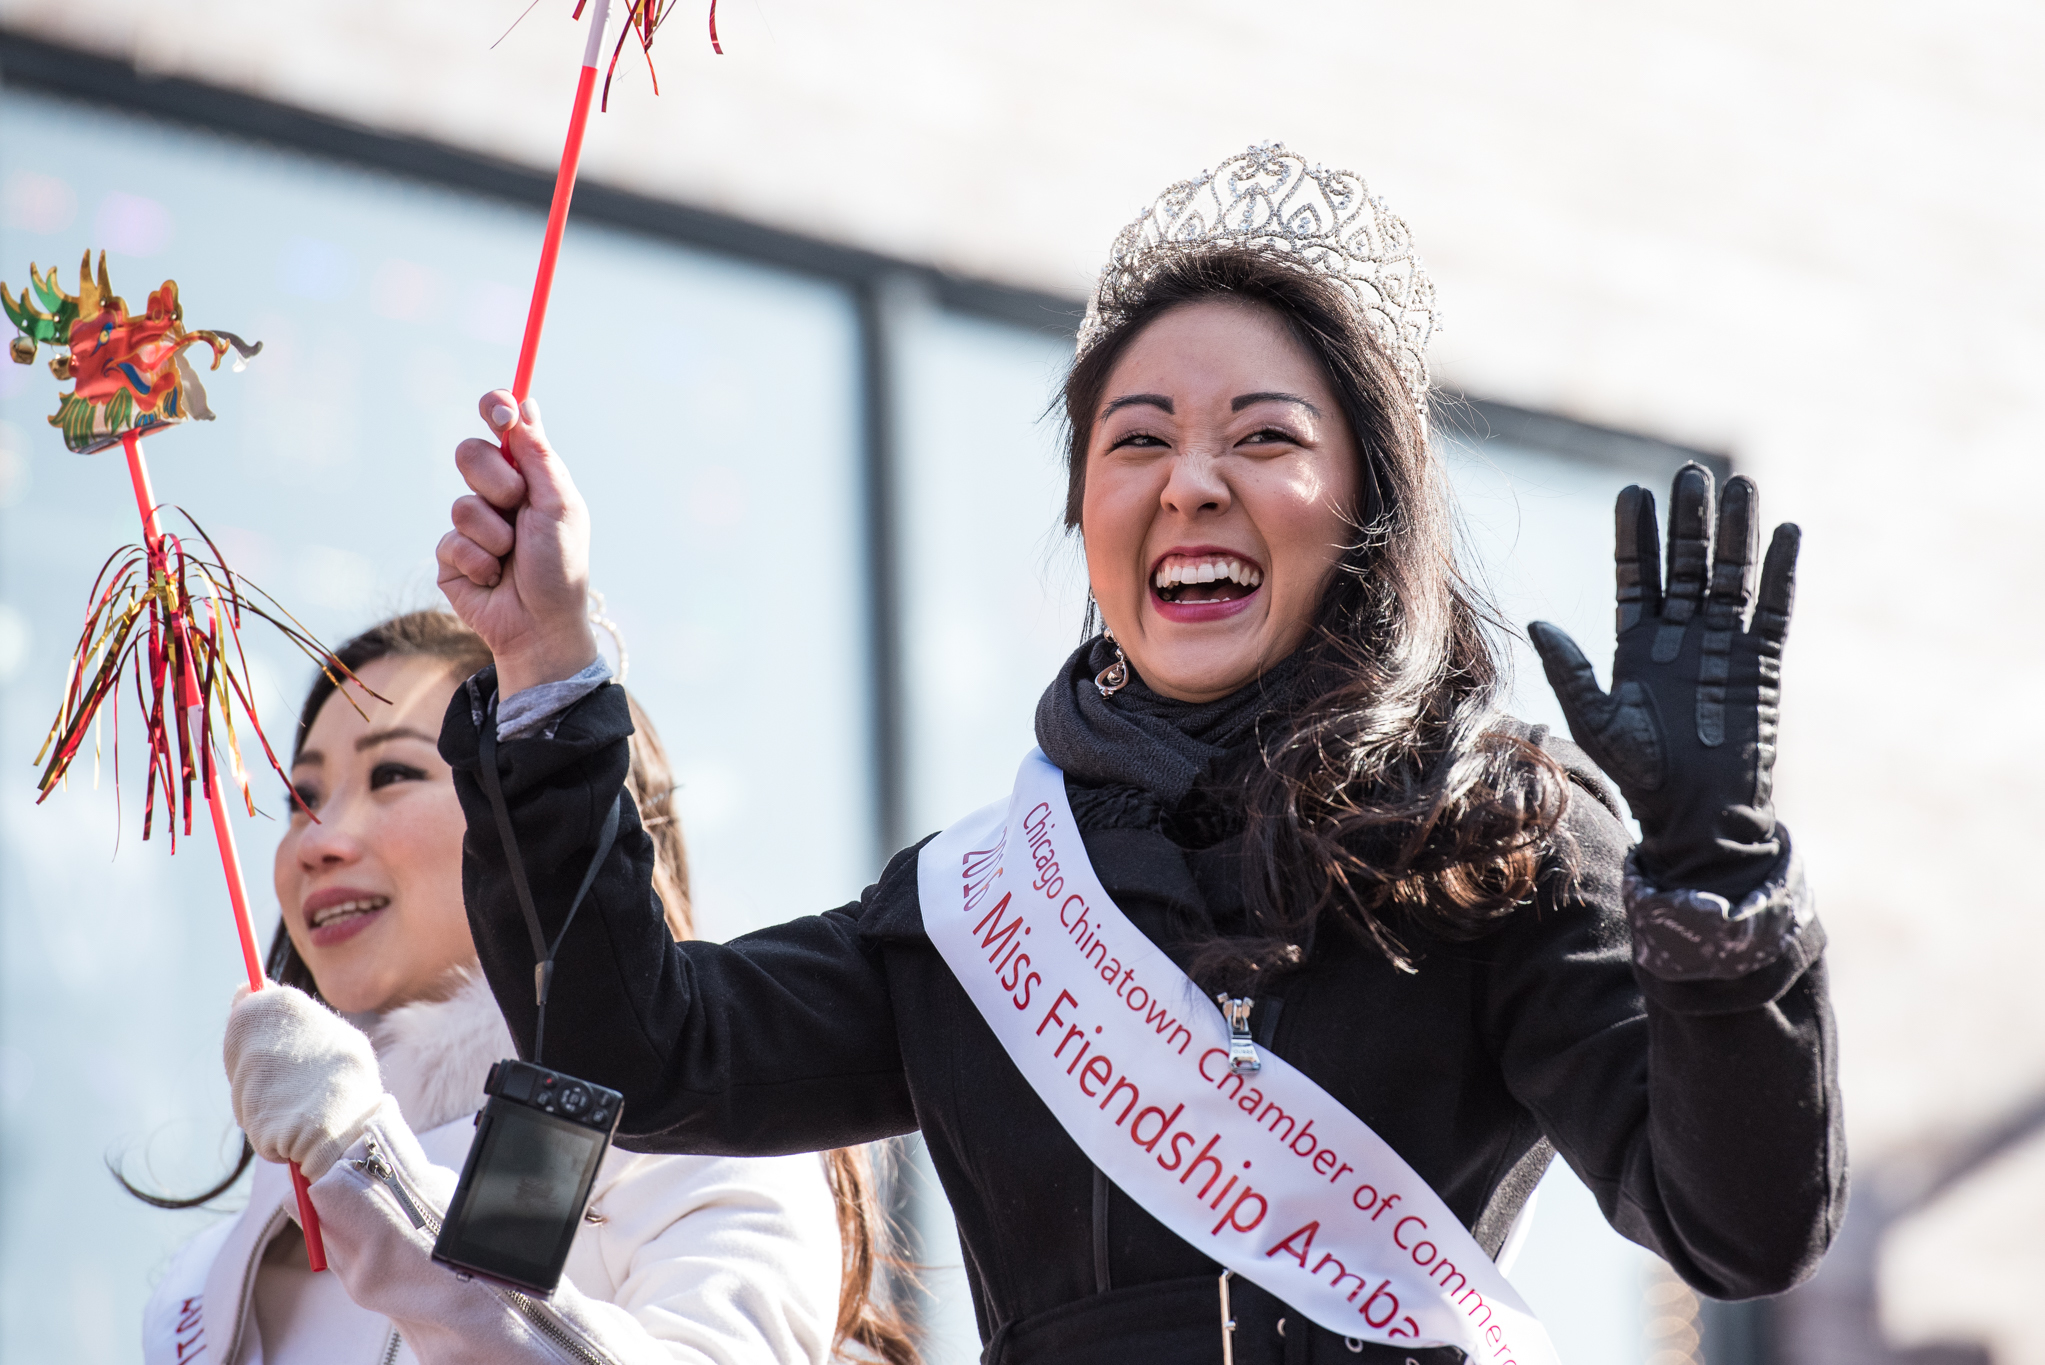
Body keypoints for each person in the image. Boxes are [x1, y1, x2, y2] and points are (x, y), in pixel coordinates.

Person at [423, 146, 1841, 1364]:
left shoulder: (1489, 837)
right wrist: (546, 660)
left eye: (1263, 437)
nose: (1190, 480)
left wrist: (1714, 869)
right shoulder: (979, 909)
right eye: (1136, 439)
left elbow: (1740, 1226)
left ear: (1364, 506)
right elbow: (631, 1052)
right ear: (1087, 519)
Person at [138, 610, 915, 1365]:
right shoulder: (205, 1289)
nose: (320, 840)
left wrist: (363, 1166)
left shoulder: (695, 1137)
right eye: (301, 798)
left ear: (532, 812)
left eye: (394, 774)